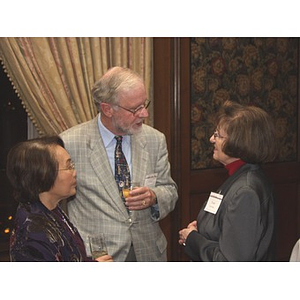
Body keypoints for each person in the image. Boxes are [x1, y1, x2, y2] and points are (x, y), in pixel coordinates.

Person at [60, 66, 178, 261]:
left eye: (144, 104)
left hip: (148, 253)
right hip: (99, 257)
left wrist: (154, 197)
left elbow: (170, 190)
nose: (144, 114)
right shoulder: (70, 143)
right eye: (135, 109)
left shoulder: (154, 139)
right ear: (107, 109)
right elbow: (53, 201)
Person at [179, 100, 278, 261]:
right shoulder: (241, 176)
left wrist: (193, 239)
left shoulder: (246, 191)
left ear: (239, 142)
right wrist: (202, 229)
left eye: (217, 135)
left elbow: (230, 262)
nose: (211, 139)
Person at [6, 136, 113, 262]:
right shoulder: (34, 230)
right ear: (43, 174)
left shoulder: (51, 209)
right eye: (68, 167)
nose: (74, 172)